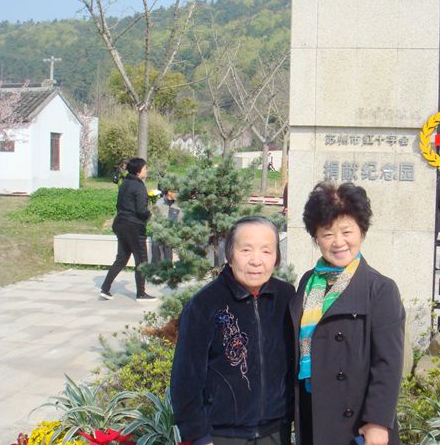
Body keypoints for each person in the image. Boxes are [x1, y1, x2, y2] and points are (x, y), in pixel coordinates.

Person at [290, 182, 406, 445]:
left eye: (346, 231)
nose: (338, 242)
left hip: (358, 423)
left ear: (361, 231)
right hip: (312, 410)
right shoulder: (308, 282)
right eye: (327, 233)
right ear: (316, 237)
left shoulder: (380, 289)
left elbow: (388, 364)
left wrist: (377, 422)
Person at [171, 216, 295, 445]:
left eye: (266, 251)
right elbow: (185, 379)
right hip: (222, 435)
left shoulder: (287, 297)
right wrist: (198, 435)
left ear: (276, 257)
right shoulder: (204, 304)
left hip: (277, 431)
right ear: (230, 255)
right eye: (246, 250)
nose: (256, 261)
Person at [100, 157, 156, 301]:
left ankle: (105, 288)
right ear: (138, 171)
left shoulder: (125, 183)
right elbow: (141, 211)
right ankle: (141, 294)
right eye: (145, 168)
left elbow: (120, 205)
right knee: (142, 260)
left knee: (121, 258)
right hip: (134, 227)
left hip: (120, 223)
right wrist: (150, 213)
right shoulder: (139, 186)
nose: (147, 170)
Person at [151, 188, 180, 264]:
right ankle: (156, 266)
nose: (177, 194)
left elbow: (181, 220)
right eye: (175, 192)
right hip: (159, 231)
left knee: (168, 244)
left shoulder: (178, 205)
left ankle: (168, 266)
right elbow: (153, 219)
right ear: (169, 192)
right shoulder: (159, 203)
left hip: (172, 232)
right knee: (155, 244)